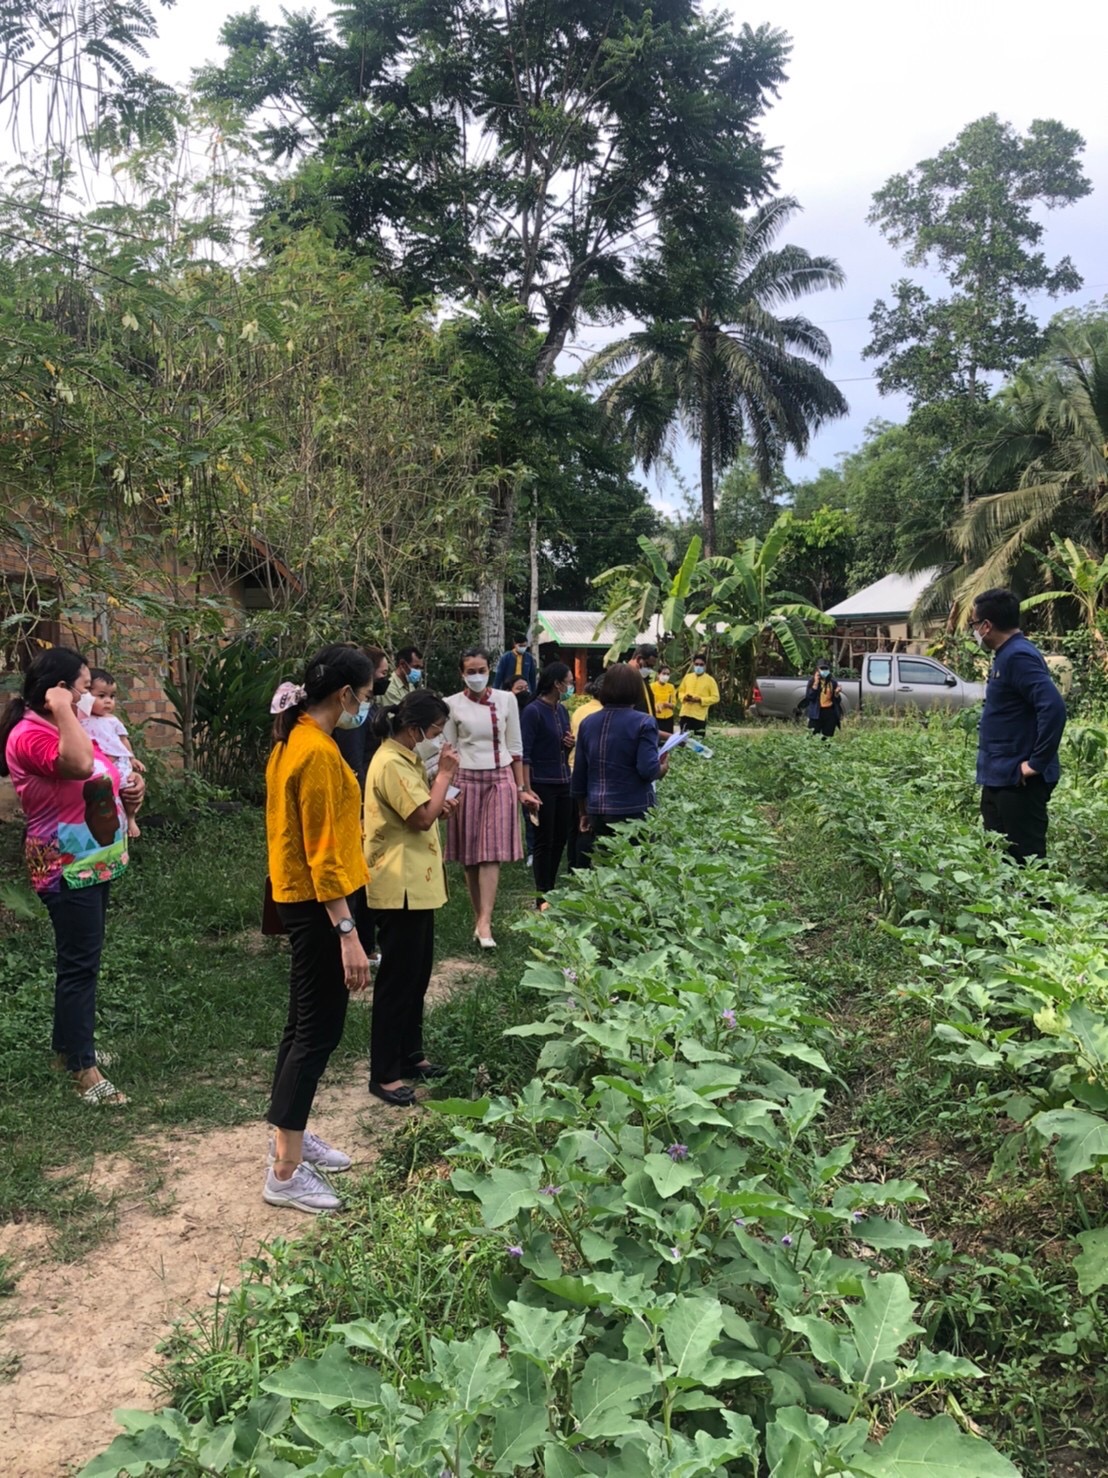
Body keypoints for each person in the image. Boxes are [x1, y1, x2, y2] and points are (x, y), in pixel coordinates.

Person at [0, 649, 142, 1106]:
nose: (86, 697)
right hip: (65, 865)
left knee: (84, 961)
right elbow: (79, 765)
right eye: (81, 689)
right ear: (54, 691)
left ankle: (68, 1051)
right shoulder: (28, 735)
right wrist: (63, 707)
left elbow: (99, 772)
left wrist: (131, 795)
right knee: (79, 966)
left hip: (91, 860)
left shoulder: (60, 725)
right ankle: (84, 1070)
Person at [263, 645, 375, 1214]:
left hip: (296, 898)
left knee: (299, 1024)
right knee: (318, 1030)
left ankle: (292, 1133)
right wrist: (348, 932)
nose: (370, 702)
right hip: (319, 904)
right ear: (345, 695)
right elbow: (325, 853)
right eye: (369, 691)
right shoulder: (319, 754)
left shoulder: (293, 740)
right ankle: (284, 1171)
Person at [364, 692, 460, 1106]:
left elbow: (426, 810)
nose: (438, 740)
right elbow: (419, 817)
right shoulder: (389, 762)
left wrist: (441, 801)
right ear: (414, 728)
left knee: (417, 976)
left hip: (417, 884)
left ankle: (410, 1055)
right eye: (435, 732)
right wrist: (445, 779)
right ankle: (383, 1073)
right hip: (397, 884)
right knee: (397, 982)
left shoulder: (408, 760)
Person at [444, 647, 542, 947]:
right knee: (471, 855)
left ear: (490, 670)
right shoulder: (451, 705)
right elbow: (448, 749)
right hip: (466, 778)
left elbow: (515, 747)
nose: (476, 676)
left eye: (481, 670)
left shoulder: (507, 699)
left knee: (491, 851)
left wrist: (522, 789)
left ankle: (486, 922)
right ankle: (479, 919)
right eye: (470, 671)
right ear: (462, 673)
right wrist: (444, 791)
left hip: (499, 778)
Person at [972, 587, 1067, 864]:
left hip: (1019, 781)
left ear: (987, 626)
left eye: (974, 625)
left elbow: (1053, 707)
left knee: (1028, 864)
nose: (974, 631)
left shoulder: (1018, 656)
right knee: (1000, 862)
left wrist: (1036, 763)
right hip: (1000, 777)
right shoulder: (1006, 655)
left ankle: (1042, 908)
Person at [332, 646, 390, 963]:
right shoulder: (351, 719)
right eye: (378, 676)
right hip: (357, 807)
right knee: (355, 881)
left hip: (360, 803)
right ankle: (360, 944)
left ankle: (363, 942)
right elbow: (355, 762)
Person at [571, 662, 662, 865]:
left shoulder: (588, 723)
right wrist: (662, 768)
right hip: (634, 808)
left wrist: (583, 812)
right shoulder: (644, 722)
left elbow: (579, 774)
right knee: (634, 870)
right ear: (636, 690)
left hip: (598, 808)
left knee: (605, 866)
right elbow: (648, 770)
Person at [520, 662, 575, 909]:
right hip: (542, 783)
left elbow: (561, 744)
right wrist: (526, 788)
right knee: (545, 839)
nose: (571, 686)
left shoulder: (561, 710)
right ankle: (542, 894)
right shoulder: (533, 711)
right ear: (557, 683)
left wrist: (568, 743)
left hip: (564, 781)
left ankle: (550, 889)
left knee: (561, 837)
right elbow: (525, 753)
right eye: (569, 681)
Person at [78, 668, 146, 838]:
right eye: (101, 696)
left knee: (129, 790)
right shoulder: (81, 718)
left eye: (112, 696)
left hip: (118, 762)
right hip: (97, 765)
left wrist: (131, 758)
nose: (108, 701)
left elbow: (123, 740)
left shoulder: (113, 720)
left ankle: (131, 818)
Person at [677, 653, 720, 734]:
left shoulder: (710, 680)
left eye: (701, 664)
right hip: (685, 713)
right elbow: (680, 691)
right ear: (693, 664)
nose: (698, 666)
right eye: (696, 664)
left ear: (705, 665)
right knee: (683, 741)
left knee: (698, 741)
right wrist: (684, 697)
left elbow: (716, 697)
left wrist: (701, 700)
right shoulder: (687, 677)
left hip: (699, 716)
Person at [805, 661, 843, 739]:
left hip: (829, 713)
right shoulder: (812, 682)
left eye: (826, 669)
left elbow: (837, 701)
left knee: (827, 738)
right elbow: (810, 697)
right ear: (817, 670)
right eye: (822, 668)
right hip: (816, 713)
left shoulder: (832, 683)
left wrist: (836, 694)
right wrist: (815, 683)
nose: (824, 671)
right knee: (812, 737)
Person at [627, 644, 658, 717]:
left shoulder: (642, 679)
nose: (650, 670)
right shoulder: (623, 679)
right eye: (648, 665)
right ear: (638, 659)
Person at [651, 664, 678, 736]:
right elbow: (649, 703)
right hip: (656, 717)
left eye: (668, 674)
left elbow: (674, 704)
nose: (666, 676)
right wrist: (657, 707)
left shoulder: (671, 687)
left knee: (668, 739)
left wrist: (667, 705)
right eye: (664, 673)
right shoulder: (652, 686)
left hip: (668, 717)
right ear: (658, 674)